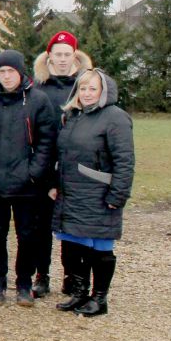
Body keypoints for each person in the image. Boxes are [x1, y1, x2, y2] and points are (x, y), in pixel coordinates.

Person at [0, 50, 57, 306]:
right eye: (2, 71)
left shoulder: (38, 101)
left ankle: (24, 284)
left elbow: (46, 142)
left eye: (11, 71)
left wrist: (34, 172)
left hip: (27, 184)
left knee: (26, 235)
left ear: (21, 72)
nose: (7, 76)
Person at [52, 69, 134, 317]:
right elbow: (63, 156)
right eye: (83, 88)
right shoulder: (73, 116)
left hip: (98, 194)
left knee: (100, 248)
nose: (87, 94)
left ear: (103, 92)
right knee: (75, 247)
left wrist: (118, 195)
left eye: (92, 89)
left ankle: (100, 298)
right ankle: (79, 293)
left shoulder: (115, 118)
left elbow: (124, 160)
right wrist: (55, 185)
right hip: (72, 194)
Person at [33, 30, 93, 296]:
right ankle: (41, 275)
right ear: (49, 58)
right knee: (41, 226)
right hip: (46, 164)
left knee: (74, 226)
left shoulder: (84, 87)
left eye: (67, 54)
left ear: (75, 57)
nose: (62, 59)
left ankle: (73, 276)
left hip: (75, 166)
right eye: (57, 54)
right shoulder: (38, 88)